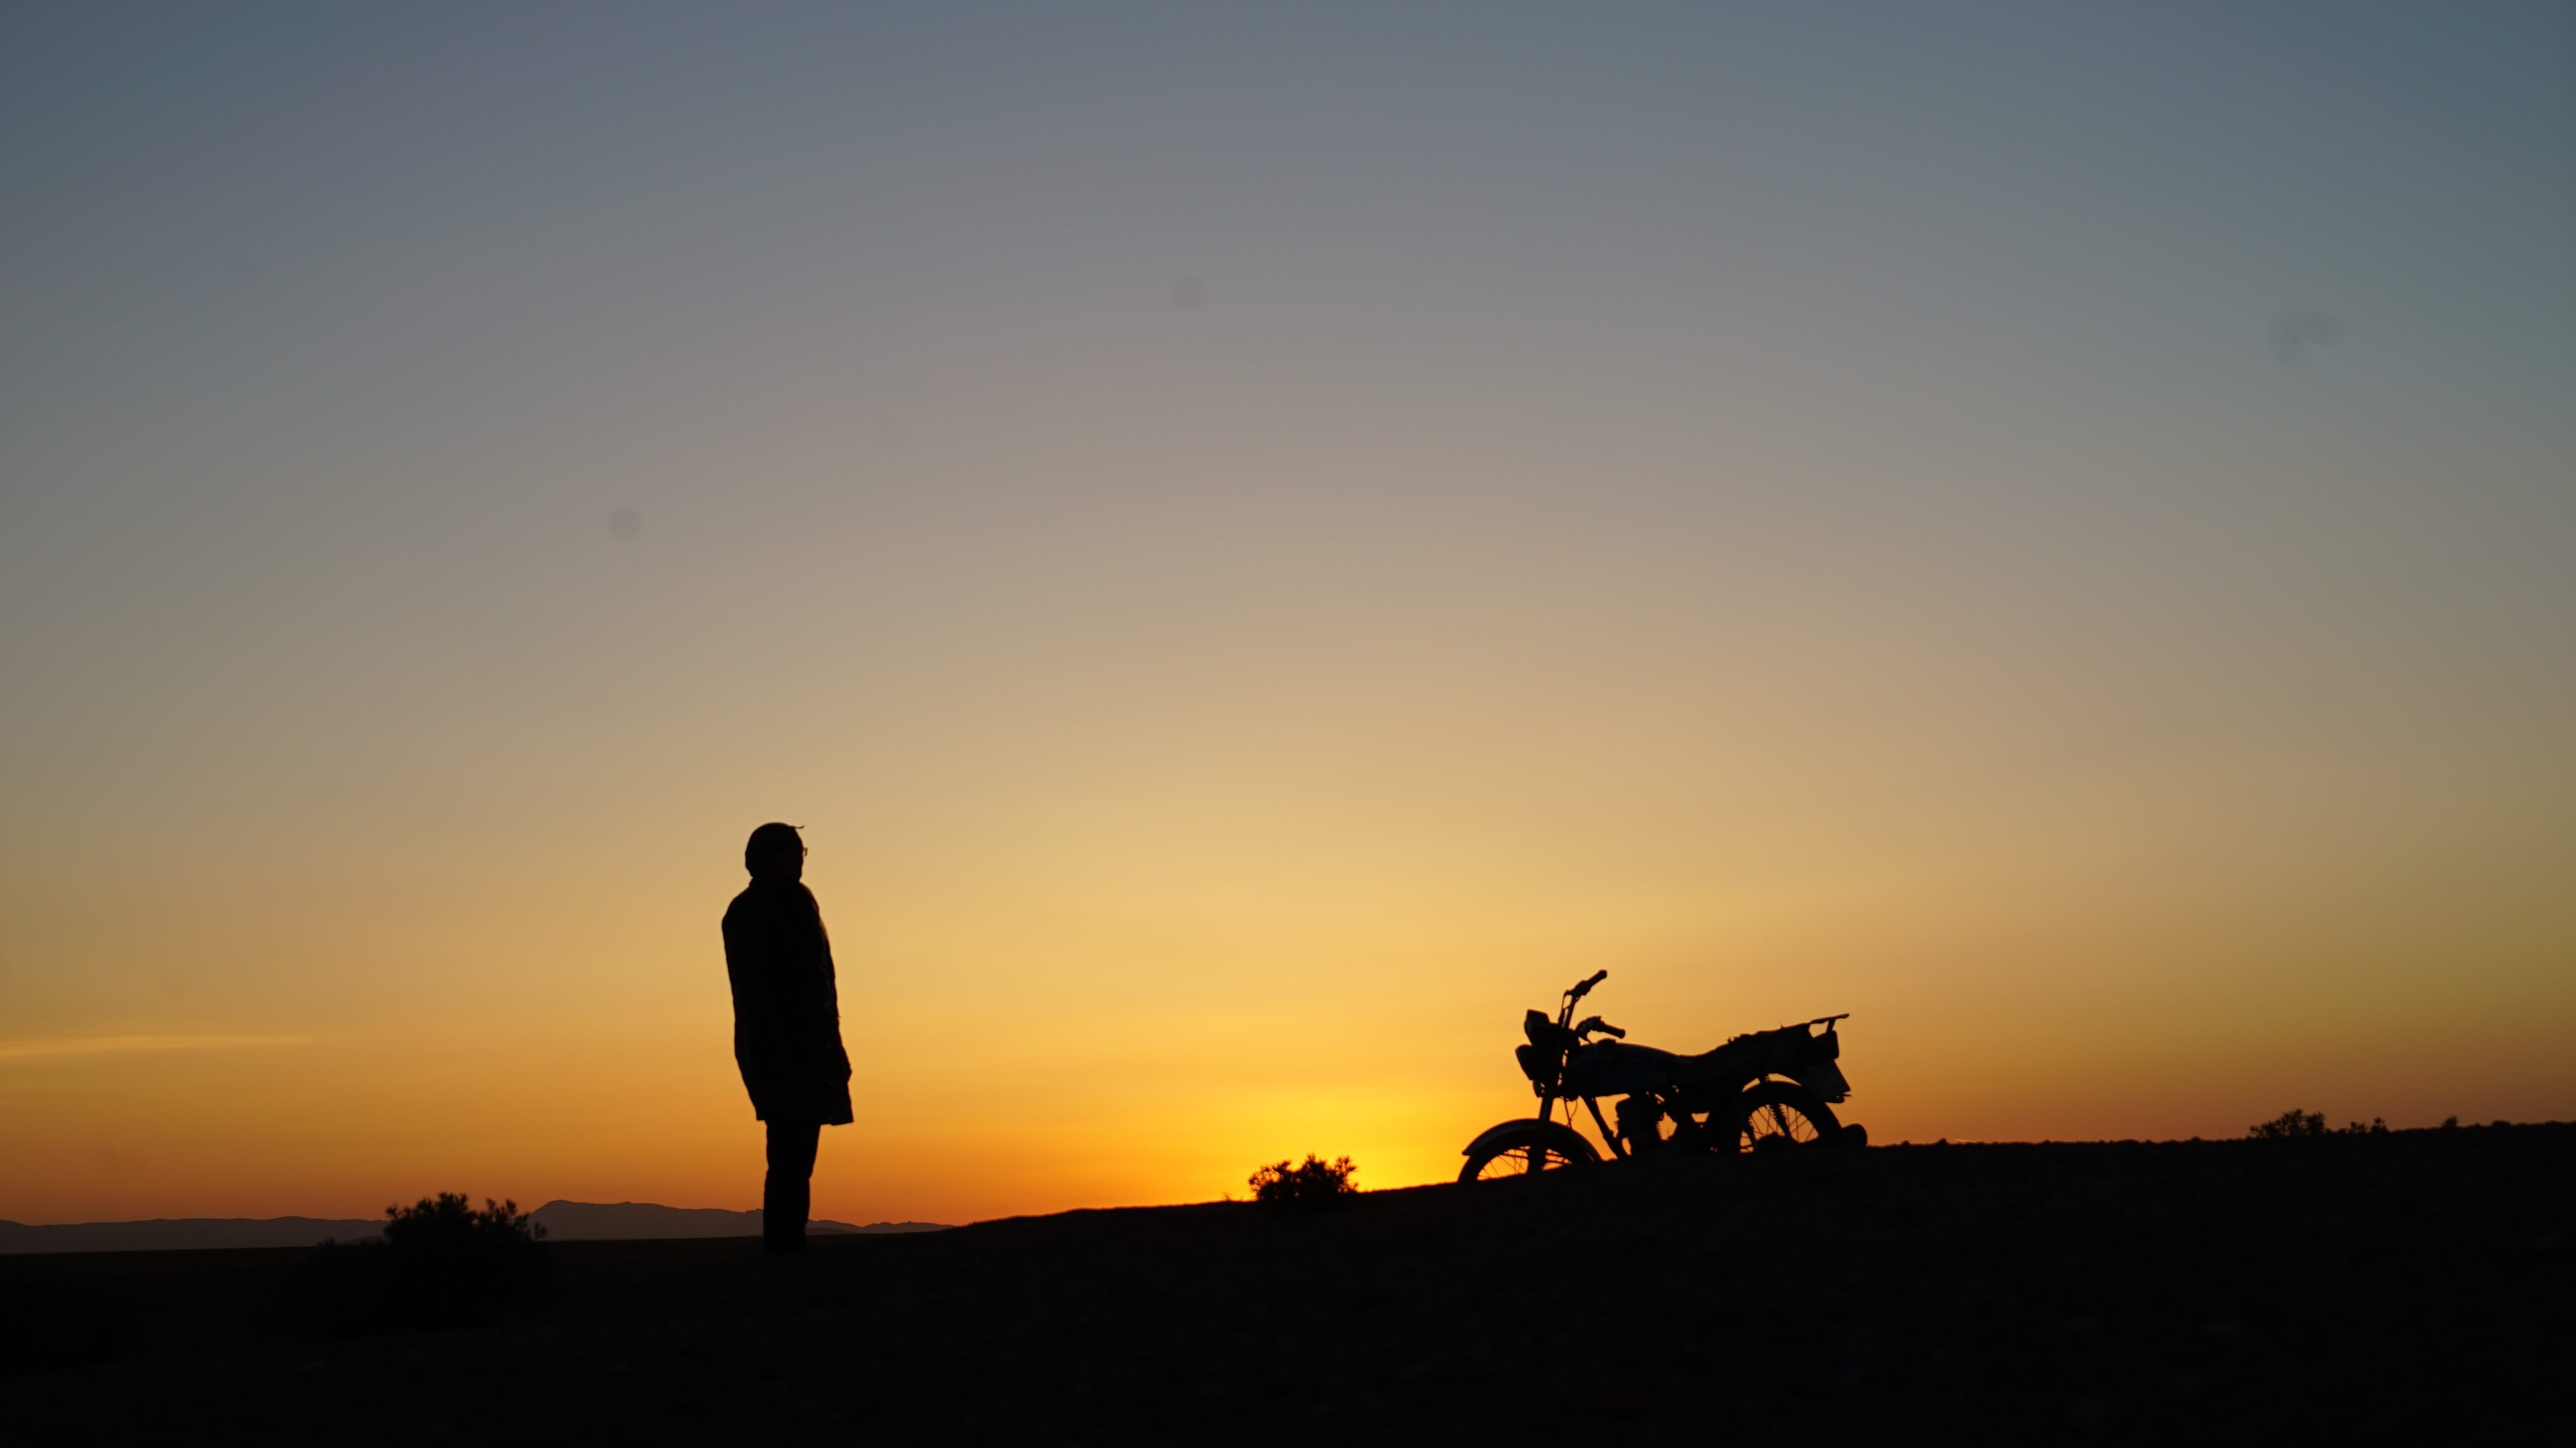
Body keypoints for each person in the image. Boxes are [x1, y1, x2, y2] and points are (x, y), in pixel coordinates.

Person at [721, 822, 854, 1255]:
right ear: (767, 858)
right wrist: (778, 1052)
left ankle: (789, 1249)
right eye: (791, 852)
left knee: (800, 1154)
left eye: (802, 851)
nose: (799, 860)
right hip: (776, 1048)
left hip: (814, 1045)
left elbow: (823, 982)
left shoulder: (801, 902)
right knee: (788, 1153)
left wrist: (834, 1047)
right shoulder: (747, 912)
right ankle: (782, 1253)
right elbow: (755, 992)